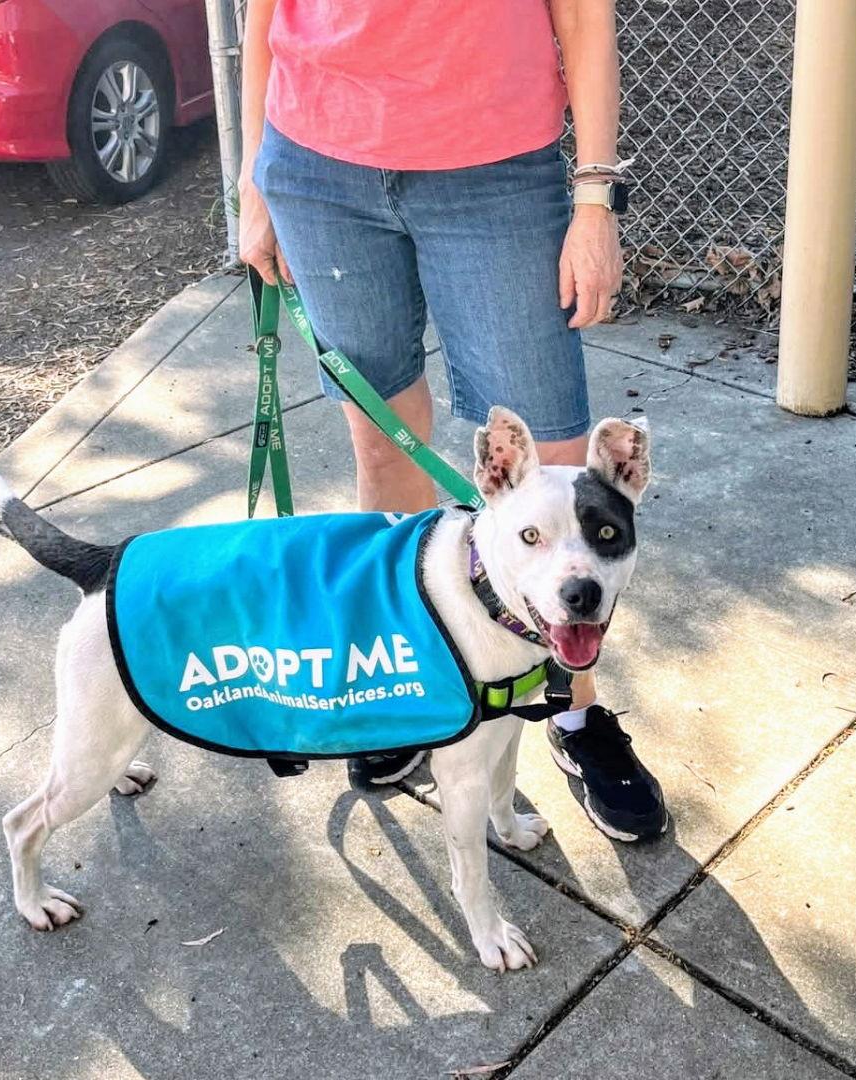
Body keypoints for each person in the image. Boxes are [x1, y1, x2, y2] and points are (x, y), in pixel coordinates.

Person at [238, 0, 666, 841]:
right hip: (317, 166)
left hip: (496, 170)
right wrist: (255, 176)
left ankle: (571, 715)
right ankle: (407, 686)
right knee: (384, 445)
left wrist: (594, 200)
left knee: (553, 471)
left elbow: (582, 14)